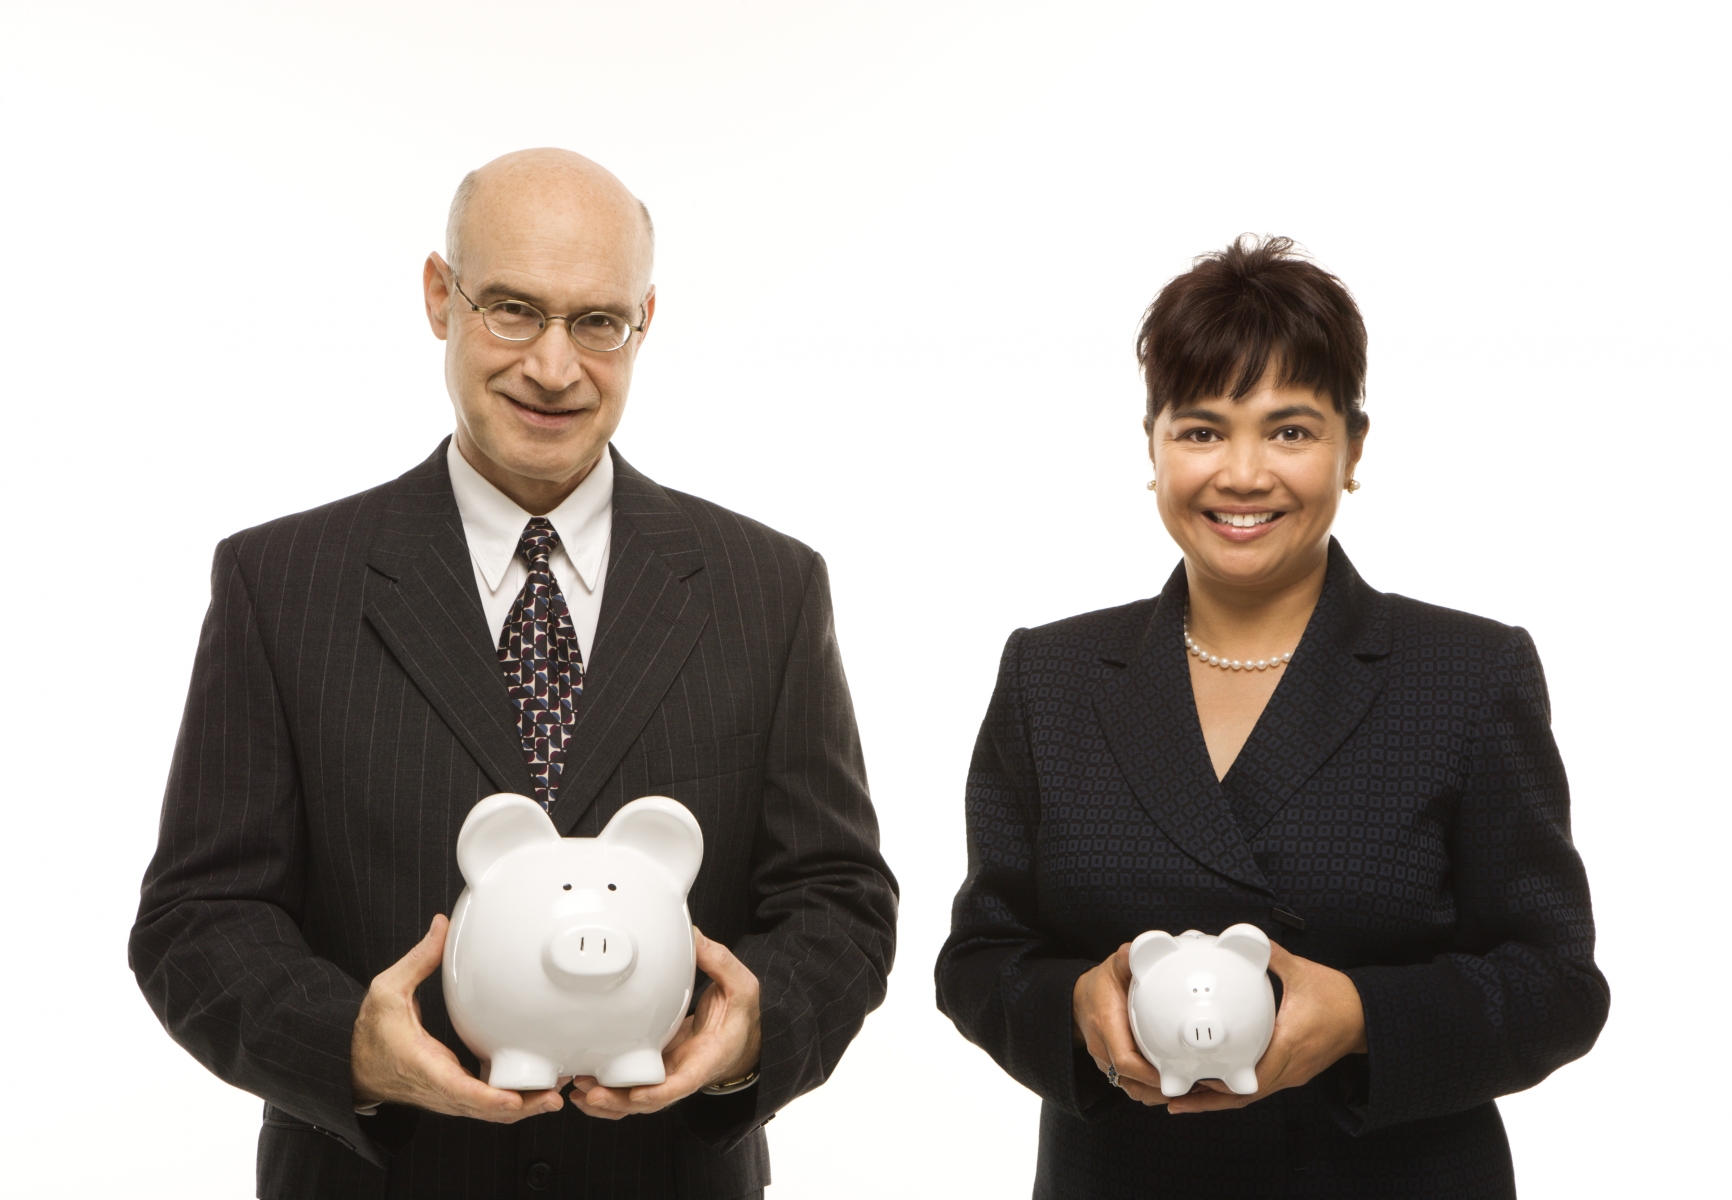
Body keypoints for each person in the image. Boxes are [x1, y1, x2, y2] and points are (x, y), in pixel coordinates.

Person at [130, 148, 898, 1200]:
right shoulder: (282, 581)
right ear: (439, 297)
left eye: (597, 322)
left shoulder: (768, 587)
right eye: (512, 310)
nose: (553, 366)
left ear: (645, 322)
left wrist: (753, 1028)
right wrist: (351, 1048)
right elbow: (198, 917)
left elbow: (837, 898)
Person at [935, 236, 1607, 1197]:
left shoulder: (1465, 673)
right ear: (1152, 446)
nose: (1242, 474)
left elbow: (1557, 981)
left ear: (1352, 448)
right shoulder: (1052, 675)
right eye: (1201, 431)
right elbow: (979, 957)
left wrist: (1363, 1017)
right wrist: (1075, 1007)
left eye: (1289, 431)